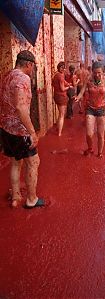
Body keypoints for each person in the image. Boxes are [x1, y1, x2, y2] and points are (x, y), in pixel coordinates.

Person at [0, 50, 45, 208]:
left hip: (5, 128)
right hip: (20, 131)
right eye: (33, 67)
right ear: (29, 64)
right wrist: (32, 132)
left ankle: (15, 196)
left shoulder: (7, 75)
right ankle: (31, 199)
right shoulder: (23, 78)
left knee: (15, 162)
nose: (32, 71)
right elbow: (21, 107)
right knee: (33, 162)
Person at [75, 61, 105, 157]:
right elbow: (82, 91)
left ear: (102, 72)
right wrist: (78, 97)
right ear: (92, 72)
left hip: (102, 109)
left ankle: (100, 153)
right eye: (95, 72)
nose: (97, 75)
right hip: (90, 109)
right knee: (89, 133)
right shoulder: (88, 80)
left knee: (100, 135)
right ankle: (90, 148)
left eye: (99, 73)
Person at [52, 61, 70, 136]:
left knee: (60, 114)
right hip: (61, 96)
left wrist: (68, 84)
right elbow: (62, 88)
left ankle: (58, 128)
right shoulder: (61, 76)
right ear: (60, 67)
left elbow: (56, 83)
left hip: (56, 95)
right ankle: (59, 132)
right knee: (62, 114)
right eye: (62, 67)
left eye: (64, 67)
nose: (63, 69)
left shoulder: (56, 75)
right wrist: (68, 87)